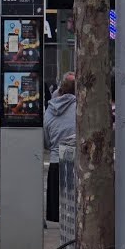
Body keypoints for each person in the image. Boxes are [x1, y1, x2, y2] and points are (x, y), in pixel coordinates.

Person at [44, 72, 77, 223]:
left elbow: (45, 140)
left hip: (55, 161)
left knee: (56, 209)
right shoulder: (81, 108)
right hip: (76, 160)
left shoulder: (49, 110)